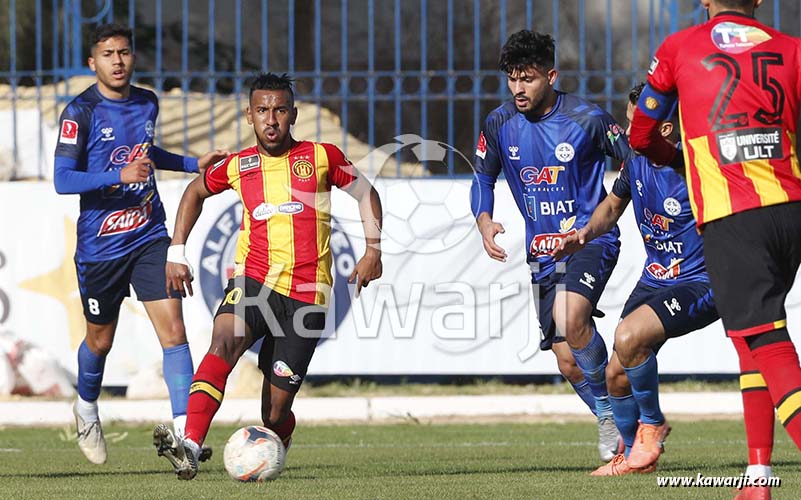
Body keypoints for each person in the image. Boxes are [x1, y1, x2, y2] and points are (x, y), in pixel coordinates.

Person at [151, 72, 383, 480]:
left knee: (274, 411)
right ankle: (189, 444)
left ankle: (277, 436)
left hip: (307, 294)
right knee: (224, 342)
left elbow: (366, 193)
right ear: (249, 115)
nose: (271, 119)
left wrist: (373, 249)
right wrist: (176, 252)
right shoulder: (239, 165)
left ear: (293, 114)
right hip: (253, 281)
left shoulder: (322, 156)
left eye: (279, 110)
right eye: (262, 110)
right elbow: (194, 192)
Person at [629, 1, 801, 498]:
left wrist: (682, 160)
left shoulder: (679, 47)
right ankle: (757, 479)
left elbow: (642, 134)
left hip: (733, 216)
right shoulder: (791, 50)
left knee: (768, 342)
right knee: (752, 341)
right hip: (789, 209)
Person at [53, 23, 226, 465]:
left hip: (149, 235)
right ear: (93, 62)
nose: (117, 60)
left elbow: (150, 154)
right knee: (100, 341)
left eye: (124, 52)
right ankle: (87, 408)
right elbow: (62, 179)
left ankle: (188, 436)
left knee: (174, 333)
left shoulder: (147, 101)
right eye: (108, 54)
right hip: (100, 248)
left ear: (133, 58)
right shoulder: (80, 112)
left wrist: (190, 163)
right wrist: (117, 175)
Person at [470, 29, 632, 461]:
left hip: (587, 240)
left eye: (528, 79)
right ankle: (618, 413)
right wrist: (483, 220)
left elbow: (633, 161)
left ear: (551, 75)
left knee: (570, 314)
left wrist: (609, 213)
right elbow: (483, 176)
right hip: (542, 253)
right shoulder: (500, 123)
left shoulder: (587, 119)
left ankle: (617, 411)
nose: (518, 89)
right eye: (512, 79)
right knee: (567, 360)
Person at [556, 83, 719, 475]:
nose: (629, 134)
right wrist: (583, 235)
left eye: (638, 125)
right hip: (655, 278)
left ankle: (652, 424)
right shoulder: (636, 159)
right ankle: (632, 458)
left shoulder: (694, 165)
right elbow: (612, 206)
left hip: (699, 281)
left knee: (628, 337)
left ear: (664, 130)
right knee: (615, 377)